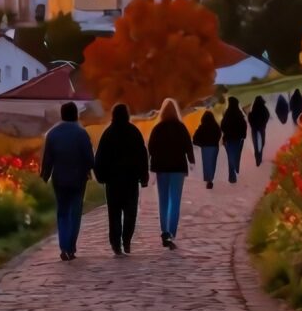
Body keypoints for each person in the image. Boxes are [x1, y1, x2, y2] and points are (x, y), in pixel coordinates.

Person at [39, 101, 96, 262]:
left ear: (62, 115)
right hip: (78, 179)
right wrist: (92, 171)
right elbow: (89, 158)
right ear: (76, 114)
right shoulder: (81, 133)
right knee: (75, 213)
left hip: (59, 178)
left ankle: (63, 246)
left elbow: (48, 159)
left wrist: (45, 175)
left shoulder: (53, 134)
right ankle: (71, 247)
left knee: (62, 212)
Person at [92, 102, 149, 256]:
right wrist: (144, 177)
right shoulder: (134, 132)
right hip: (131, 180)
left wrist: (100, 176)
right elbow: (142, 156)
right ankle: (127, 240)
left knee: (114, 213)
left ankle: (116, 243)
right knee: (131, 213)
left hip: (113, 182)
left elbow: (100, 157)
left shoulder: (108, 133)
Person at [148, 99, 194, 248]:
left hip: (161, 168)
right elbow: (188, 145)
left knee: (163, 201)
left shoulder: (158, 128)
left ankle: (164, 231)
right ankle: (171, 232)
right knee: (175, 201)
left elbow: (151, 148)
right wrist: (191, 161)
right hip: (178, 168)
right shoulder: (180, 128)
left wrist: (151, 163)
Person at [219, 97, 247, 181]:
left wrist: (226, 133)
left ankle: (232, 176)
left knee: (230, 156)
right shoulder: (239, 114)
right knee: (237, 155)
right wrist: (243, 135)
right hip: (238, 138)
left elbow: (223, 126)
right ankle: (236, 170)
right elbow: (244, 126)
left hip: (229, 138)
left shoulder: (227, 114)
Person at [194, 106, 222, 188]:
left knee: (206, 163)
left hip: (205, 147)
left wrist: (200, 143)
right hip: (214, 146)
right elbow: (219, 135)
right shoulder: (216, 126)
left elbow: (196, 138)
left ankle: (208, 179)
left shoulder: (202, 127)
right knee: (213, 162)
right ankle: (211, 178)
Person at [249, 92, 273, 162]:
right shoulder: (264, 109)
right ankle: (260, 156)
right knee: (262, 142)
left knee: (256, 143)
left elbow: (250, 118)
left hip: (254, 129)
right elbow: (267, 115)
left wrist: (252, 125)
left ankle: (257, 157)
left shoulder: (253, 109)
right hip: (261, 128)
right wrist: (264, 123)